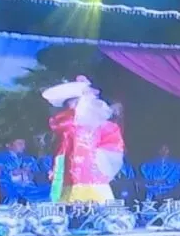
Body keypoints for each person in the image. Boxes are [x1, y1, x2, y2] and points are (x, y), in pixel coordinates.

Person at [45, 75, 126, 204]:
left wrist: (98, 159)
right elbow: (61, 148)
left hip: (94, 177)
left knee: (98, 208)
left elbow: (113, 146)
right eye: (69, 104)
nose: (72, 107)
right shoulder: (66, 124)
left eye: (76, 103)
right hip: (70, 176)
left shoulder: (103, 126)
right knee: (71, 206)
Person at [0, 138, 48, 204]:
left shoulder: (29, 159)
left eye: (24, 144)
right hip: (8, 189)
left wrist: (30, 174)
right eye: (20, 143)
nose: (23, 146)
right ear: (8, 144)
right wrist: (11, 173)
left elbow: (37, 175)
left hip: (30, 190)